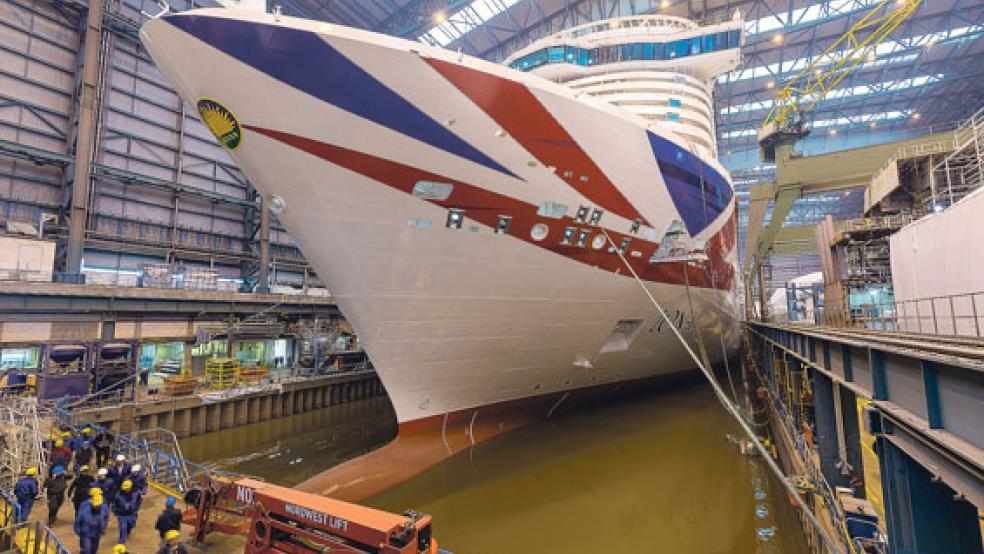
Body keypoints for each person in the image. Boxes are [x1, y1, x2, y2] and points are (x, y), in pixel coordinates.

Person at [112, 480, 139, 545]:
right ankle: (121, 543)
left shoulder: (135, 494)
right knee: (122, 528)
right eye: (125, 488)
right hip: (122, 515)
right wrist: (116, 512)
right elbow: (114, 504)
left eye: (127, 488)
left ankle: (127, 533)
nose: (126, 490)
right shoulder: (118, 495)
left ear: (131, 487)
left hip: (132, 514)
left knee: (130, 526)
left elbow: (139, 502)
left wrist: (135, 508)